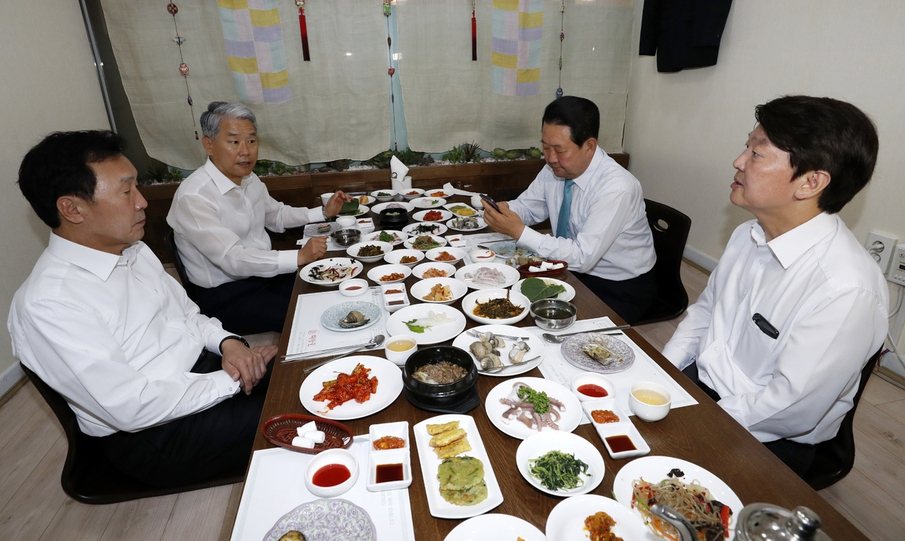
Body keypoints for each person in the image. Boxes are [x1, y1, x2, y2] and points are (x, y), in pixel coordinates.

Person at [8, 130, 276, 488]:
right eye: (126, 191)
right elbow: (131, 406)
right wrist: (233, 378)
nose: (142, 202)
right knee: (306, 413)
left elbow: (188, 316)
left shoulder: (132, 249)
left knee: (312, 372)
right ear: (72, 208)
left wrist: (229, 345)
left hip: (205, 377)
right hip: (157, 433)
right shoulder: (50, 303)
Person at [663, 95, 888, 476]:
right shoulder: (746, 235)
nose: (738, 160)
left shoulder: (845, 289)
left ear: (811, 182)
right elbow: (704, 315)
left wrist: (696, 419)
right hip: (705, 387)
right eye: (746, 146)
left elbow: (789, 408)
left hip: (769, 434)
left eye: (757, 153)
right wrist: (662, 374)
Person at [167, 101, 350, 335]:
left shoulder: (248, 178)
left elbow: (276, 215)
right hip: (226, 297)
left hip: (264, 277)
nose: (245, 151)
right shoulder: (193, 196)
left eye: (251, 141)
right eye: (234, 141)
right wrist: (298, 256)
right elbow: (233, 258)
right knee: (313, 317)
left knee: (329, 286)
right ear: (209, 145)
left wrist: (323, 213)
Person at [483, 96, 657, 323]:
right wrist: (505, 210)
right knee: (506, 301)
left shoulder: (616, 187)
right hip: (571, 270)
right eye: (545, 147)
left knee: (550, 328)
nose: (550, 158)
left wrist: (519, 232)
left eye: (559, 150)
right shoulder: (554, 169)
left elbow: (583, 256)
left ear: (589, 146)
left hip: (617, 286)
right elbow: (530, 207)